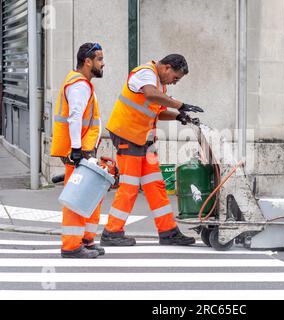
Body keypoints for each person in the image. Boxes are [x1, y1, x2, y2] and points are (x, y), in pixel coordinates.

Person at [101, 54, 203, 246]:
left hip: (143, 141)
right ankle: (112, 232)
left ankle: (168, 232)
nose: (175, 83)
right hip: (128, 136)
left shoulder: (160, 85)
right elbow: (150, 94)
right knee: (129, 186)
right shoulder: (146, 74)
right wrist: (181, 105)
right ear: (167, 67)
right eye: (175, 78)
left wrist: (178, 117)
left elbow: (157, 110)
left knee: (156, 186)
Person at [51, 43, 106, 258]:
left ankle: (86, 240)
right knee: (76, 198)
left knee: (89, 195)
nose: (103, 63)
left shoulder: (82, 83)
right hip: (79, 152)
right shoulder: (79, 85)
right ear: (88, 62)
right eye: (100, 59)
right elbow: (74, 118)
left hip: (84, 151)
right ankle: (71, 246)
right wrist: (76, 150)